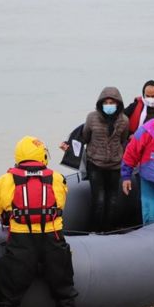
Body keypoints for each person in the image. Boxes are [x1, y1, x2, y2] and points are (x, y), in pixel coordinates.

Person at [0, 136, 77, 307]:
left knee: (6, 295)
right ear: (43, 156)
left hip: (21, 242)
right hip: (53, 239)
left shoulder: (6, 180)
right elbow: (60, 205)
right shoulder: (57, 178)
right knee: (64, 290)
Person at [61, 87, 129, 232]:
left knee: (113, 200)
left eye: (112, 102)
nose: (109, 105)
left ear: (118, 104)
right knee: (99, 199)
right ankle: (96, 230)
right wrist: (69, 147)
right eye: (106, 102)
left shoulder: (124, 120)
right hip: (95, 164)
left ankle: (109, 229)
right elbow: (84, 137)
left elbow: (123, 140)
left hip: (115, 166)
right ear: (101, 103)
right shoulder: (92, 117)